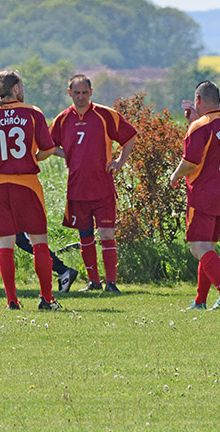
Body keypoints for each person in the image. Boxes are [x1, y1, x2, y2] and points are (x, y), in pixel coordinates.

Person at [0, 82, 79, 292]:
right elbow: (48, 148)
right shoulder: (32, 112)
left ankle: (11, 299)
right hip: (27, 183)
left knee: (6, 243)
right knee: (37, 240)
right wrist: (34, 157)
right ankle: (46, 297)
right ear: (17, 88)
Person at [50, 74, 137, 294]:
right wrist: (67, 154)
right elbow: (47, 145)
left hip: (102, 187)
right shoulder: (62, 119)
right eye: (76, 93)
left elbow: (130, 137)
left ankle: (111, 283)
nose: (81, 97)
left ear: (91, 92)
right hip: (77, 188)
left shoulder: (105, 115)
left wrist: (120, 161)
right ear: (69, 93)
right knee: (85, 236)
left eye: (84, 93)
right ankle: (93, 281)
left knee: (107, 233)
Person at [170, 81, 220, 310]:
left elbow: (190, 163)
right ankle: (200, 300)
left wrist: (175, 176)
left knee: (198, 247)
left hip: (203, 193)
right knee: (207, 246)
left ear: (198, 100)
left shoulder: (200, 126)